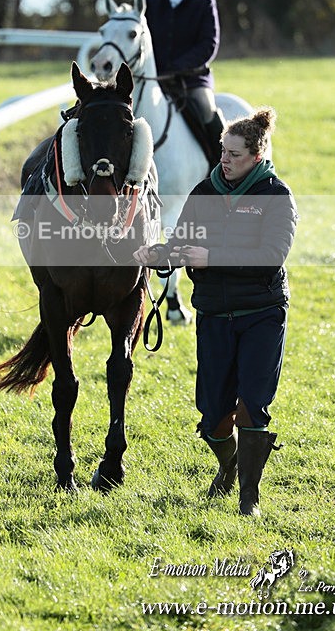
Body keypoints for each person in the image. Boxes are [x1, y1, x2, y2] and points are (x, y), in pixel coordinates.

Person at [134, 108, 297, 516]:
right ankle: (229, 466)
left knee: (253, 405)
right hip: (213, 314)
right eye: (223, 151)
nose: (224, 160)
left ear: (256, 157)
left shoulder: (276, 195)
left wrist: (212, 258)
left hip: (262, 312)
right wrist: (159, 255)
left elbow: (272, 255)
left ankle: (249, 498)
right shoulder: (204, 192)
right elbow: (182, 241)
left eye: (235, 154)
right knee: (212, 416)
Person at [145, 0, 225, 170]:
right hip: (154, 80)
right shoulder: (149, 6)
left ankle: (221, 168)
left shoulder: (205, 5)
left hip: (192, 80)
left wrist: (177, 67)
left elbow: (208, 45)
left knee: (207, 110)